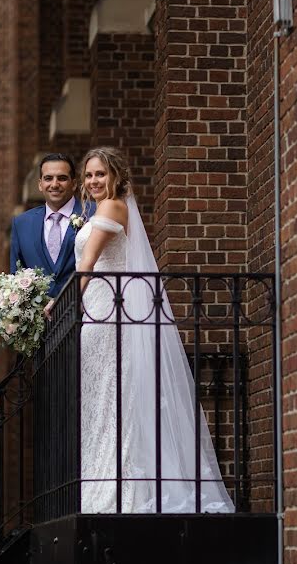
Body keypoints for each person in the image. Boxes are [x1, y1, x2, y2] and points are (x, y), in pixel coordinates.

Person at [74, 147, 234, 514]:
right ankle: (100, 481)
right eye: (88, 175)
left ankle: (119, 491)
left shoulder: (114, 206)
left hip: (109, 314)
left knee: (116, 402)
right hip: (97, 311)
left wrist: (64, 305)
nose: (94, 181)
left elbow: (88, 262)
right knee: (100, 402)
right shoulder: (98, 211)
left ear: (115, 176)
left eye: (100, 174)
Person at [9, 153, 84, 298]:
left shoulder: (93, 214)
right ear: (40, 184)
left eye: (62, 178)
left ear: (74, 184)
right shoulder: (21, 223)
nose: (54, 184)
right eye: (48, 178)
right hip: (40, 318)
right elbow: (16, 275)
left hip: (84, 313)